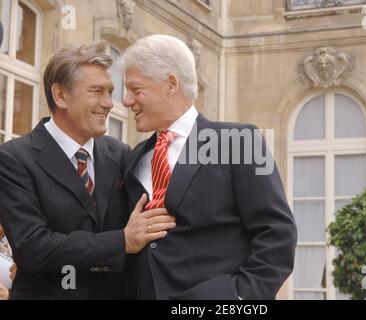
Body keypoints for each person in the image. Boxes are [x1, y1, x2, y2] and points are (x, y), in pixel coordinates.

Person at [121, 35, 297, 300]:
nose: (126, 100)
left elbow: (277, 234)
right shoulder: (136, 158)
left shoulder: (240, 141)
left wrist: (238, 298)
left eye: (136, 89)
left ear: (170, 84)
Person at [0, 42, 176, 299]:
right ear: (60, 95)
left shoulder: (122, 154)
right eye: (97, 91)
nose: (109, 103)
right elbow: (33, 247)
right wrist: (121, 242)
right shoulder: (14, 158)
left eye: (110, 92)